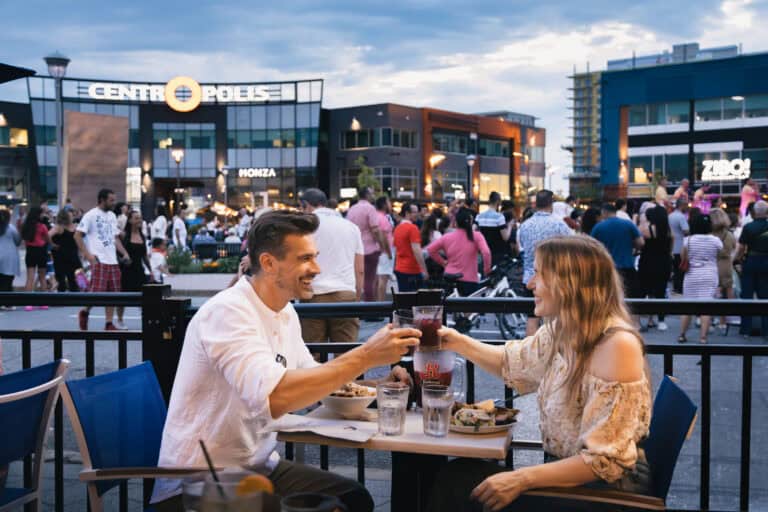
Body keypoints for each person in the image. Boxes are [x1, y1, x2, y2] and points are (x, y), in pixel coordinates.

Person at [150, 210, 420, 512]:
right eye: (305, 259)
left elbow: (315, 379)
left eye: (315, 257)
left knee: (353, 498)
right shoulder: (228, 312)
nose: (317, 268)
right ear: (268, 263)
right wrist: (367, 355)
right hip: (199, 481)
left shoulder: (285, 311)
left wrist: (378, 386)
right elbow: (274, 398)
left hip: (259, 468)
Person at [428, 235, 651, 512]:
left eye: (539, 274)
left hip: (606, 492)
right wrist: (454, 341)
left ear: (569, 282)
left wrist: (521, 478)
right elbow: (512, 363)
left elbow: (605, 461)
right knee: (458, 475)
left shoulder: (617, 345)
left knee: (456, 484)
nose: (530, 283)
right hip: (571, 478)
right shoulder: (564, 330)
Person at [299, 188, 363, 343]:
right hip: (345, 295)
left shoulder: (304, 228)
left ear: (306, 205)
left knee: (312, 352)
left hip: (313, 295)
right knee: (346, 352)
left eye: (301, 207)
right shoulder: (351, 227)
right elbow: (360, 269)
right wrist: (356, 296)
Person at [75, 189, 131, 331]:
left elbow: (115, 238)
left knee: (113, 294)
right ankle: (85, 312)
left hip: (113, 260)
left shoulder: (112, 216)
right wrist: (88, 255)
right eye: (111, 200)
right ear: (102, 200)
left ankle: (108, 323)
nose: (114, 203)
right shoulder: (91, 215)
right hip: (99, 259)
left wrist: (124, 253)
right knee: (96, 292)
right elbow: (77, 235)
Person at [518, 190, 572, 336]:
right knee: (554, 319)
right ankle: (552, 348)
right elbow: (571, 246)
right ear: (551, 203)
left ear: (536, 204)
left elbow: (521, 245)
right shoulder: (559, 225)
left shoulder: (525, 225)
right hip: (554, 277)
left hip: (530, 278)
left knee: (532, 318)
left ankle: (531, 348)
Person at [427, 207, 491, 296]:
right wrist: (487, 270)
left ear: (456, 223)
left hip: (449, 276)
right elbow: (486, 253)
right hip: (469, 279)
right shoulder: (476, 236)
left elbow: (430, 249)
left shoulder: (447, 237)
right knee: (470, 304)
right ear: (471, 222)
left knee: (450, 302)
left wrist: (443, 262)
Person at [678, 214, 722, 344]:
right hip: (709, 274)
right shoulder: (715, 240)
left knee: (687, 305)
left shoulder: (688, 240)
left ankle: (682, 334)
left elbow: (683, 257)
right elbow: (719, 254)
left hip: (692, 274)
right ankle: (703, 337)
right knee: (706, 306)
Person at [591, 203, 645, 301]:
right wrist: (631, 246)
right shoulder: (628, 224)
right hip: (627, 267)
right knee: (631, 299)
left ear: (604, 213)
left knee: (609, 299)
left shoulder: (598, 227)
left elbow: (591, 247)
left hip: (606, 269)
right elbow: (641, 243)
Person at [346, 186, 386, 301]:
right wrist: (382, 246)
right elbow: (375, 230)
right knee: (369, 280)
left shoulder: (352, 209)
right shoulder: (370, 208)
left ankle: (356, 304)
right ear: (367, 195)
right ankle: (370, 308)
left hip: (354, 250)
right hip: (369, 249)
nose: (374, 196)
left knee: (357, 279)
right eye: (372, 193)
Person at [735, 200, 768, 337]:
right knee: (765, 297)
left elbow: (741, 248)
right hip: (766, 263)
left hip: (751, 262)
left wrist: (736, 260)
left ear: (754, 212)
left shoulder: (748, 227)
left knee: (747, 296)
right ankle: (766, 330)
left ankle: (745, 330)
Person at [115, 210, 151, 329]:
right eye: (136, 218)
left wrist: (151, 270)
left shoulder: (142, 236)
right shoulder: (124, 235)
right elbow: (116, 249)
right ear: (130, 220)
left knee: (144, 297)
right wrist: (123, 258)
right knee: (123, 297)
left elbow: (144, 255)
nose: (139, 220)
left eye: (140, 218)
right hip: (126, 270)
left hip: (139, 270)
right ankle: (119, 320)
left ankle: (145, 320)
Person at [638, 205, 672, 332]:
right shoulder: (668, 231)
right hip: (664, 263)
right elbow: (670, 248)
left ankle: (643, 319)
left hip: (648, 262)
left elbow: (639, 242)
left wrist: (640, 219)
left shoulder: (647, 230)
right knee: (660, 292)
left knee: (644, 291)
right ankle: (660, 321)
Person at [710, 208, 737, 333]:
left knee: (714, 292)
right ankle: (726, 319)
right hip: (726, 264)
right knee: (728, 290)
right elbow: (734, 248)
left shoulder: (709, 235)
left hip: (713, 263)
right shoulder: (729, 235)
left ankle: (712, 318)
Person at [21, 206, 53, 306]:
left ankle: (28, 303)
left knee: (30, 278)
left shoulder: (25, 226)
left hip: (30, 252)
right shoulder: (42, 226)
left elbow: (24, 240)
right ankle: (43, 303)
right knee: (42, 277)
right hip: (41, 251)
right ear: (38, 215)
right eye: (41, 213)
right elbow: (48, 239)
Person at [393, 202, 428, 292]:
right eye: (414, 212)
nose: (417, 214)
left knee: (404, 298)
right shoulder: (413, 228)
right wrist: (424, 270)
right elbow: (417, 251)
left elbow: (396, 249)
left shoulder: (397, 228)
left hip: (400, 268)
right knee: (418, 298)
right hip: (412, 270)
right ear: (407, 213)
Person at [476, 191, 511, 267]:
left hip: (484, 251)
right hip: (497, 252)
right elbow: (505, 237)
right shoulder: (499, 217)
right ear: (498, 202)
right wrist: (510, 226)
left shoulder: (479, 216)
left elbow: (474, 231)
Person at [49, 210, 81, 292]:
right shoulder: (59, 227)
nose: (72, 217)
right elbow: (47, 235)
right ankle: (62, 297)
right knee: (61, 281)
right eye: (70, 216)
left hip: (73, 256)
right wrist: (52, 244)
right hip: (61, 257)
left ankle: (77, 296)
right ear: (65, 217)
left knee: (76, 279)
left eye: (72, 215)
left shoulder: (75, 226)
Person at [374, 196, 394, 301]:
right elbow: (384, 237)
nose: (390, 205)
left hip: (376, 251)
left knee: (377, 279)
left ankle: (376, 303)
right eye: (389, 202)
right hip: (384, 251)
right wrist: (389, 253)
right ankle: (380, 304)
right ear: (384, 205)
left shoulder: (375, 216)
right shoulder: (383, 218)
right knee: (383, 279)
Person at [669, 198, 691, 295]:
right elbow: (686, 231)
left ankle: (675, 288)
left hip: (672, 247)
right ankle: (680, 288)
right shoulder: (681, 217)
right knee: (681, 269)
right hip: (680, 247)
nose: (687, 207)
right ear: (682, 205)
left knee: (675, 269)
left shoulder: (670, 216)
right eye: (686, 205)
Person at [0, 209, 21, 299]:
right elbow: (18, 241)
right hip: (9, 259)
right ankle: (7, 302)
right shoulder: (10, 228)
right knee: (8, 281)